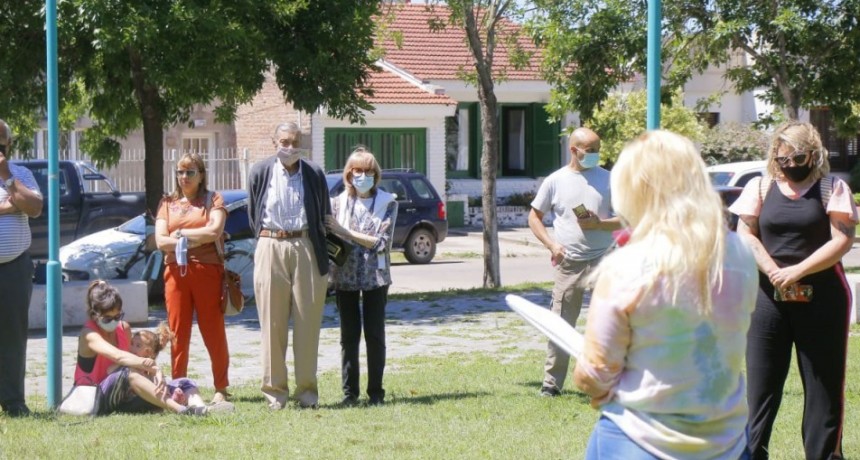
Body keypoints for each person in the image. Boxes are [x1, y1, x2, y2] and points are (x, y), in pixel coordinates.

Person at [573, 130, 758, 459]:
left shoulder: (627, 265)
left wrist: (588, 379)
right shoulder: (740, 252)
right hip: (728, 439)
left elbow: (596, 374)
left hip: (640, 439)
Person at [729, 121, 856, 460]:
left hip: (823, 298)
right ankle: (750, 454)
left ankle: (825, 455)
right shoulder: (759, 186)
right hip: (767, 297)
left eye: (798, 158)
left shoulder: (832, 188)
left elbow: (842, 240)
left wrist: (798, 271)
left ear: (814, 155)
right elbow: (745, 232)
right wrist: (773, 271)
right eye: (783, 158)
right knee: (760, 388)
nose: (790, 165)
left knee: (823, 386)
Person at [527, 126, 620, 397]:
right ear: (574, 150)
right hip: (569, 263)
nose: (595, 155)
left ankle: (609, 383)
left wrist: (600, 224)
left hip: (604, 260)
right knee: (561, 324)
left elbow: (627, 219)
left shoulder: (609, 179)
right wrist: (552, 245)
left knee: (608, 325)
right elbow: (534, 217)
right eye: (590, 151)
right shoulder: (555, 181)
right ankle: (551, 384)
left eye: (598, 150)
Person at [247, 121, 331, 410]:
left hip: (306, 245)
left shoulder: (314, 173)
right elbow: (253, 213)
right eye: (284, 142)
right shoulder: (260, 171)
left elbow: (324, 214)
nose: (290, 147)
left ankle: (307, 393)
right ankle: (275, 393)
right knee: (272, 324)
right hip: (271, 243)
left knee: (308, 324)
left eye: (295, 142)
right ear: (275, 143)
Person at [155, 152, 231, 404]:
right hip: (175, 273)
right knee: (177, 332)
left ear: (201, 175)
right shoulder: (167, 203)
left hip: (207, 272)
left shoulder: (213, 199)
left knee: (213, 330)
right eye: (180, 171)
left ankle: (221, 387)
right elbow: (160, 241)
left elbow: (215, 231)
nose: (184, 176)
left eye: (190, 172)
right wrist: (195, 238)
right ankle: (179, 385)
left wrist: (180, 235)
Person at [326, 148, 398, 406]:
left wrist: (346, 232)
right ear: (349, 174)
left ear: (376, 174)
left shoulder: (388, 202)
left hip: (375, 277)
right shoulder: (337, 203)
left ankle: (376, 393)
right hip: (344, 277)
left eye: (368, 171)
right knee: (349, 337)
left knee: (375, 335)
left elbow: (381, 243)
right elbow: (330, 238)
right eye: (358, 170)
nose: (363, 176)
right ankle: (350, 393)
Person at [74, 281, 213, 415]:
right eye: (107, 319)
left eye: (117, 316)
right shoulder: (89, 334)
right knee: (128, 373)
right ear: (94, 315)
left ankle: (201, 409)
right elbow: (119, 357)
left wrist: (150, 374)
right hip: (95, 397)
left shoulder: (123, 328)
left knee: (183, 382)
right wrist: (153, 367)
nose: (114, 322)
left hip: (125, 394)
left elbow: (132, 359)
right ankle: (180, 409)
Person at [0, 120, 43, 417]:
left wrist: (6, 177)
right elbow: (23, 205)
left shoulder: (21, 174)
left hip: (14, 268)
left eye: (0, 143)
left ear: (9, 144)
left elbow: (35, 207)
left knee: (13, 337)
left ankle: (13, 402)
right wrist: (11, 205)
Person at [119, 322, 209, 409]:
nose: (132, 348)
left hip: (152, 396)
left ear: (148, 352)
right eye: (132, 343)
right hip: (139, 399)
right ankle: (174, 401)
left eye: (138, 346)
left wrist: (153, 374)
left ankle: (199, 406)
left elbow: (157, 384)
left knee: (185, 382)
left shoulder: (149, 366)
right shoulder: (128, 363)